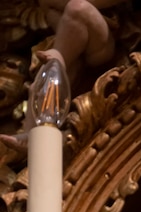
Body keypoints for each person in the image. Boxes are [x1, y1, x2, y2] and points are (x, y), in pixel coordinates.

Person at [0, 0, 122, 152]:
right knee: (57, 65)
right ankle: (39, 133)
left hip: (103, 41)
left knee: (78, 8)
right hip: (71, 44)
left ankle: (35, 130)